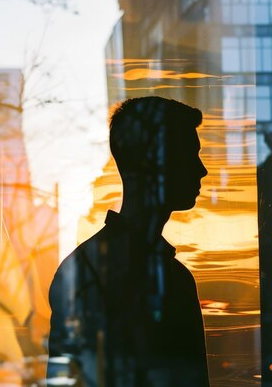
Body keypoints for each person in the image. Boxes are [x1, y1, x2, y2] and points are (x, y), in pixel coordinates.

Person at [47, 96, 210, 387]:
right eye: (189, 154)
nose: (201, 170)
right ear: (154, 164)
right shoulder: (170, 279)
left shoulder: (82, 270)